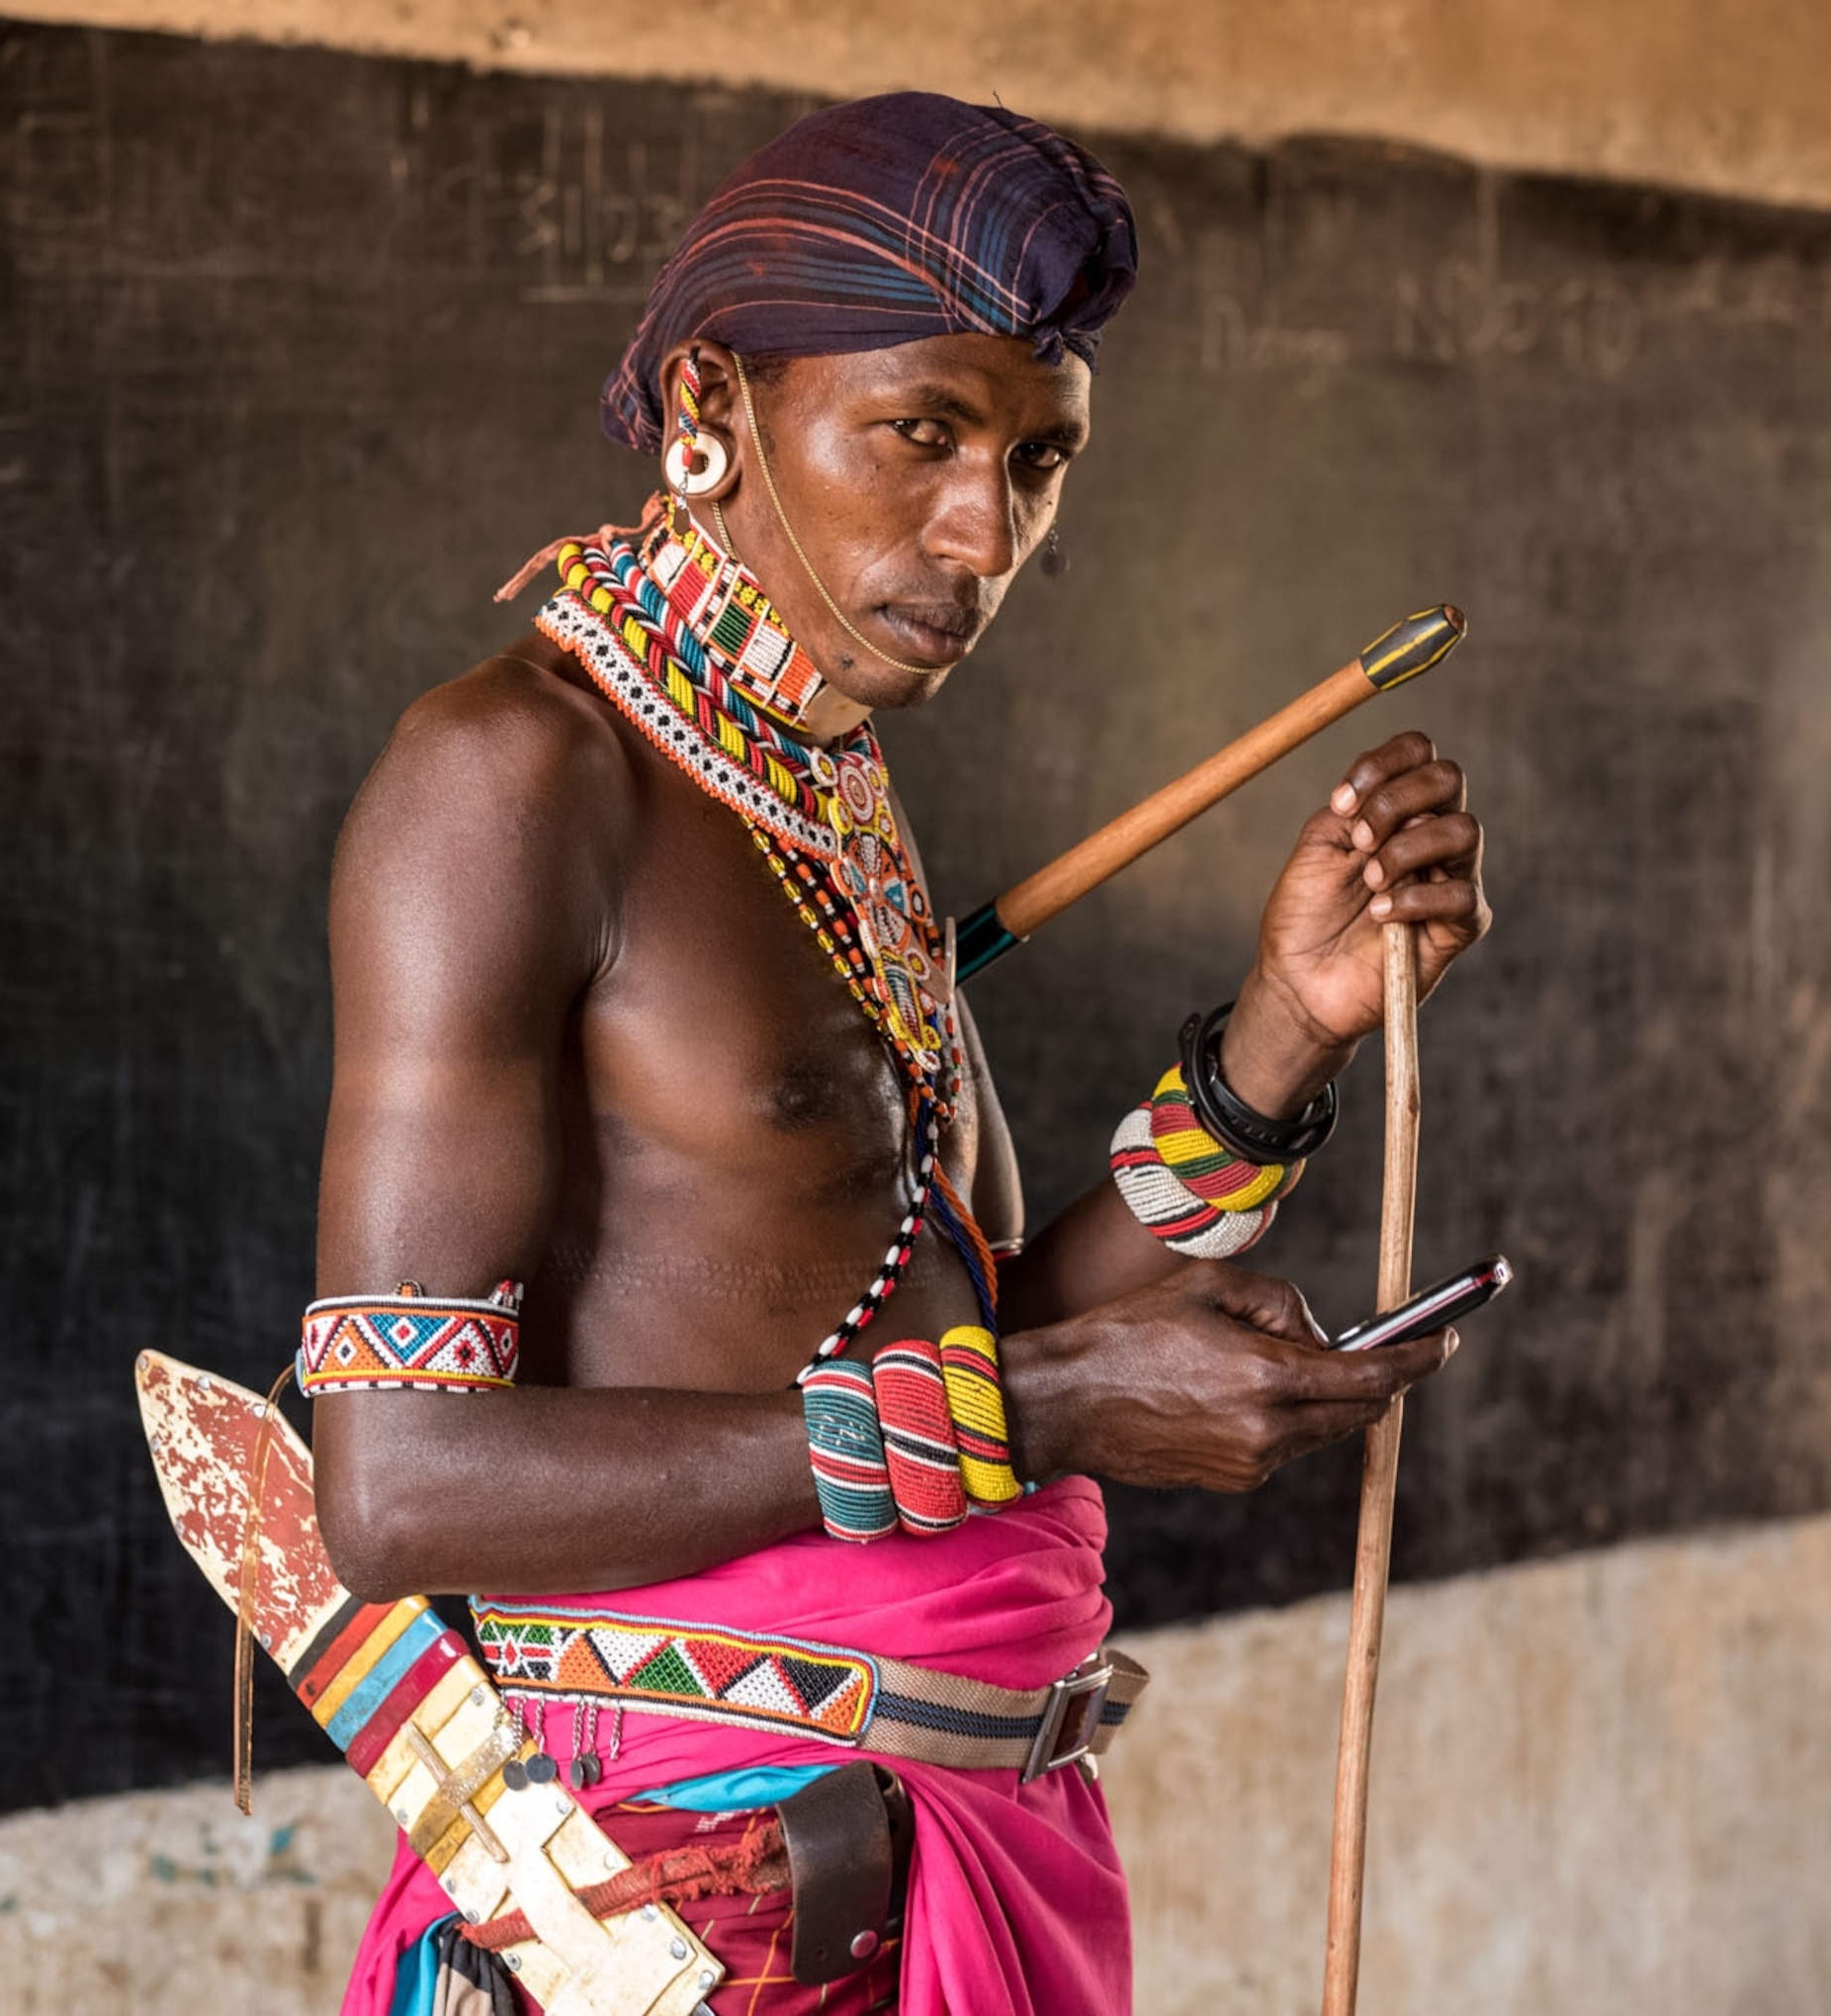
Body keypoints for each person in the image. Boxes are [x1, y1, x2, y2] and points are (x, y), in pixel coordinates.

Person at [303, 92, 1490, 2016]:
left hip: (953, 1853)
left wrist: (1280, 1039)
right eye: (920, 433)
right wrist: (1058, 1408)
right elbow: (402, 1487)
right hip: (694, 1915)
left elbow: (954, 1313)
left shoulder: (825, 786)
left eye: (1039, 462)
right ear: (716, 397)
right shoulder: (512, 778)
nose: (981, 530)